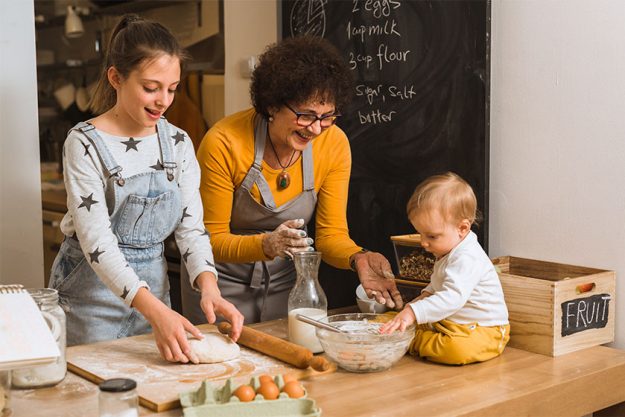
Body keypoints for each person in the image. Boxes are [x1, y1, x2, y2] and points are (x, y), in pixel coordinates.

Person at [48, 14, 243, 363]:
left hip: (155, 297)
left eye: (172, 88)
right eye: (151, 88)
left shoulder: (178, 142)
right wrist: (154, 311)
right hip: (90, 302)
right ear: (116, 78)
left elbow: (191, 229)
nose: (163, 101)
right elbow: (97, 244)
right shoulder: (83, 142)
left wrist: (209, 287)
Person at [181, 36, 403, 323]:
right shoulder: (224, 142)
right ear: (272, 104)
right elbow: (209, 240)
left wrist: (358, 257)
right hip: (218, 285)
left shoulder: (333, 144)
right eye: (306, 115)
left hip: (288, 286)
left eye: (327, 117)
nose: (316, 129)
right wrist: (267, 245)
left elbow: (331, 236)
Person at [380, 172, 510, 365]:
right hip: (451, 323)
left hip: (484, 331)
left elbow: (451, 298)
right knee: (388, 320)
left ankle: (410, 340)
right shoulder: (448, 250)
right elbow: (436, 288)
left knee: (456, 349)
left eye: (431, 236)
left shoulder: (467, 257)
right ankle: (400, 331)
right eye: (420, 234)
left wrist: (414, 313)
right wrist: (412, 307)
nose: (423, 243)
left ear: (462, 229)